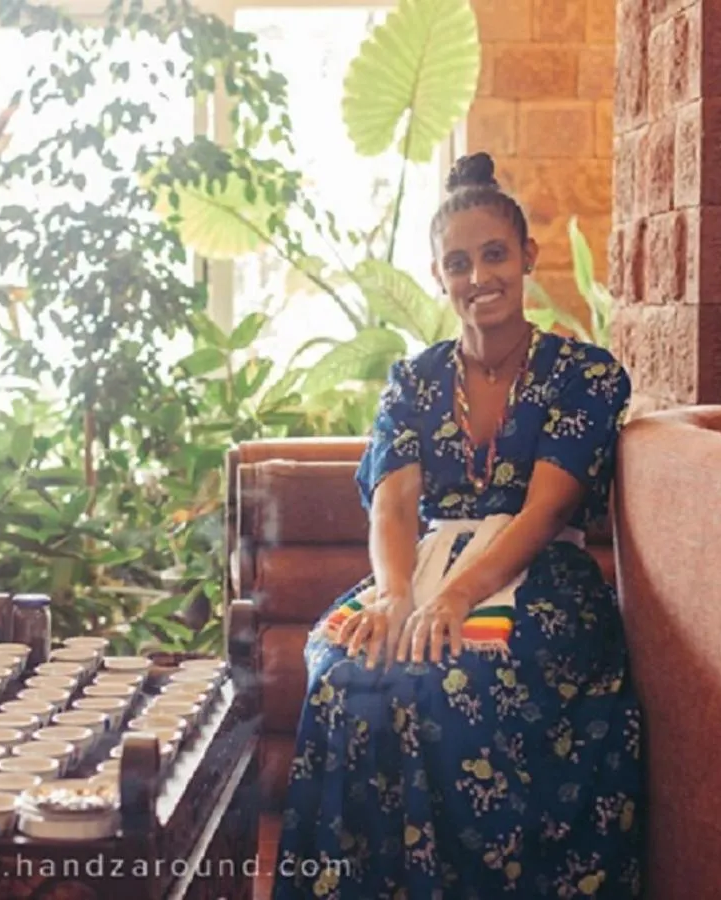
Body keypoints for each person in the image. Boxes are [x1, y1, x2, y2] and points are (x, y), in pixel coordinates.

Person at [272, 152, 645, 899]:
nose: (479, 277)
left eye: (494, 255)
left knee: (461, 674)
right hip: (424, 563)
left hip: (537, 573)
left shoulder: (586, 375)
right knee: (348, 666)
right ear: (439, 275)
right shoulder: (411, 380)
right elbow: (392, 501)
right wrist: (395, 594)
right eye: (457, 263)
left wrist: (454, 601)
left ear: (526, 258)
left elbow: (544, 510)